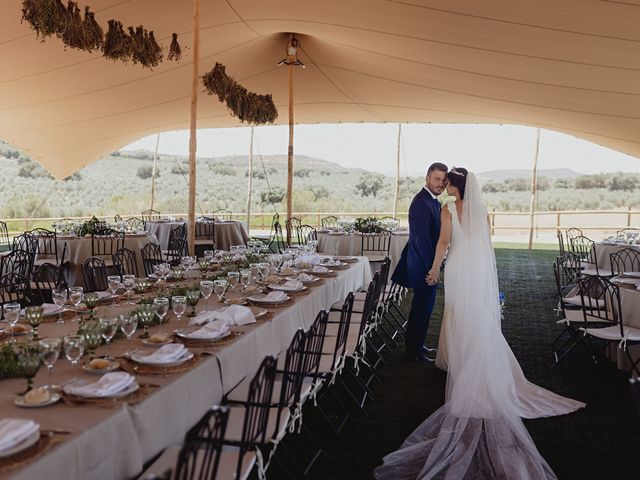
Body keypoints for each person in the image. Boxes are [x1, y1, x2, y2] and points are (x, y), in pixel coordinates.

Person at [374, 168, 585, 480]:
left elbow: (444, 244)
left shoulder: (447, 210)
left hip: (458, 268)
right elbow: (486, 245)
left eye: (447, 182)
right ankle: (468, 358)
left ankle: (460, 362)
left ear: (456, 187)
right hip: (475, 269)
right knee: (474, 315)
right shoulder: (483, 211)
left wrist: (433, 270)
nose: (443, 185)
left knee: (458, 314)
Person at [391, 162, 448, 363]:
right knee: (420, 309)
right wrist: (433, 268)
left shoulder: (433, 201)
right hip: (424, 266)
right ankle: (413, 351)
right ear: (427, 178)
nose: (440, 184)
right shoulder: (421, 203)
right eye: (437, 179)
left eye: (443, 180)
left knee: (424, 308)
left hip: (427, 264)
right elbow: (422, 240)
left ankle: (417, 345)